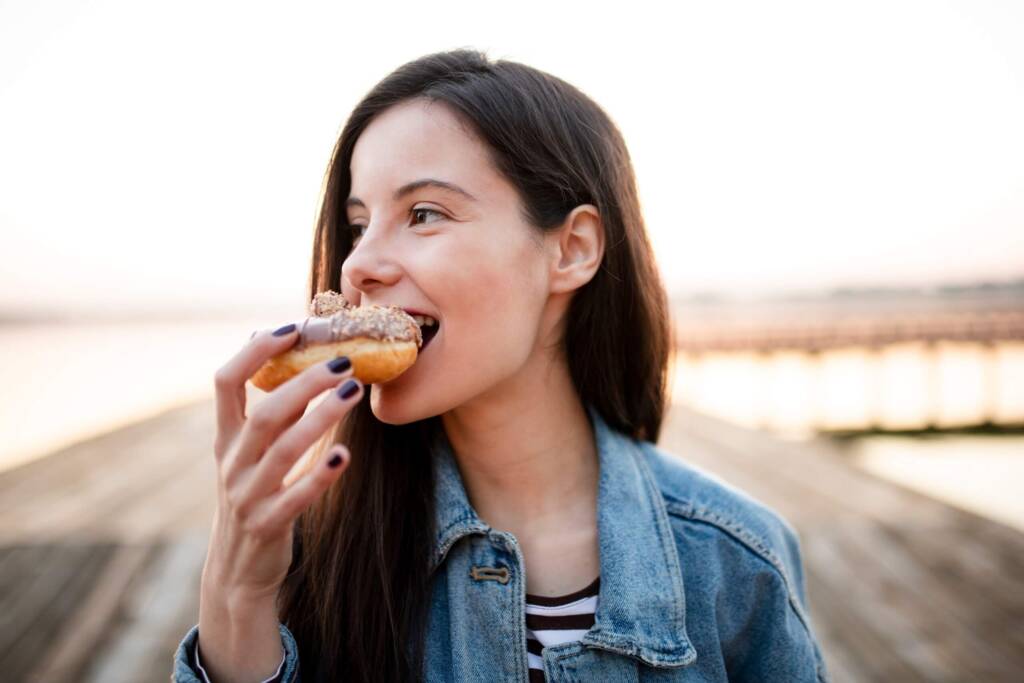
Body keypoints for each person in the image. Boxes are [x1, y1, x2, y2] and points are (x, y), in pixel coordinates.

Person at [173, 48, 830, 682]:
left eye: (423, 213)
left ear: (571, 250)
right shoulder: (311, 554)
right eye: (357, 223)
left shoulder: (737, 563)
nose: (357, 266)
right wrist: (236, 599)